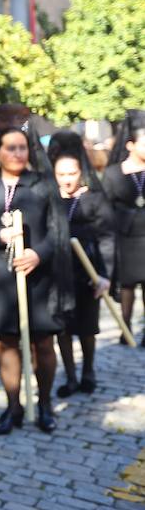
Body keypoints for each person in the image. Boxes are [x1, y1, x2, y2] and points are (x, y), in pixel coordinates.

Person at [0, 104, 72, 434]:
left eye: (23, 147)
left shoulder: (42, 184)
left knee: (43, 344)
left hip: (38, 276)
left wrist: (38, 254)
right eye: (11, 147)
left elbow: (58, 230)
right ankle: (13, 406)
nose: (18, 153)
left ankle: (45, 403)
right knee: (6, 343)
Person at [47, 131, 113, 396]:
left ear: (80, 171)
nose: (67, 180)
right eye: (61, 175)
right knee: (62, 328)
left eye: (71, 174)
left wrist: (105, 274)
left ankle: (88, 371)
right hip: (59, 273)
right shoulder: (51, 199)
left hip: (88, 271)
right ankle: (71, 376)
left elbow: (107, 236)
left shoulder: (94, 198)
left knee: (86, 327)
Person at [102, 108, 145, 346]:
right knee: (127, 284)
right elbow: (105, 206)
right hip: (125, 237)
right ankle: (125, 327)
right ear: (130, 145)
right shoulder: (112, 173)